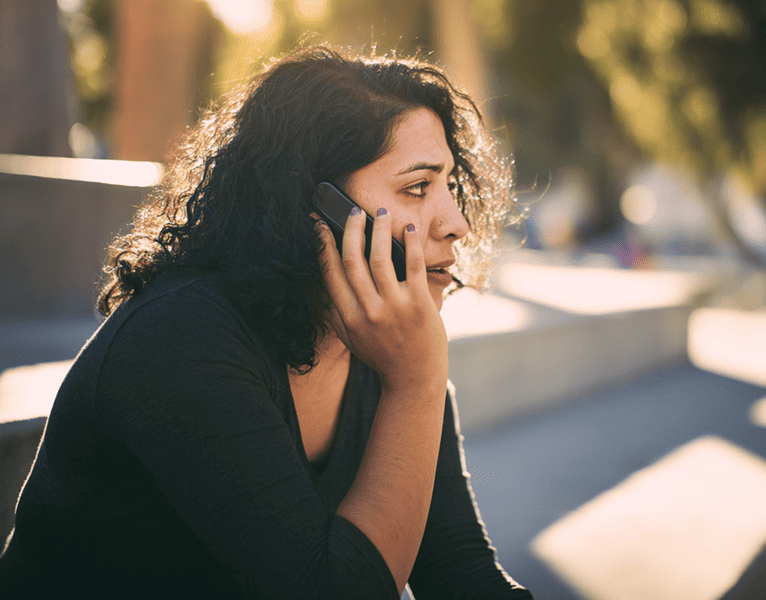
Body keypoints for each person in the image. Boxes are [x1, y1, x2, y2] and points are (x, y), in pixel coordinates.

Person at [0, 45, 533, 598]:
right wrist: (415, 386)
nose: (456, 224)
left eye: (449, 185)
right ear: (319, 211)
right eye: (418, 188)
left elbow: (462, 577)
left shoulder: (387, 357)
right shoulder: (181, 340)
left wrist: (414, 386)